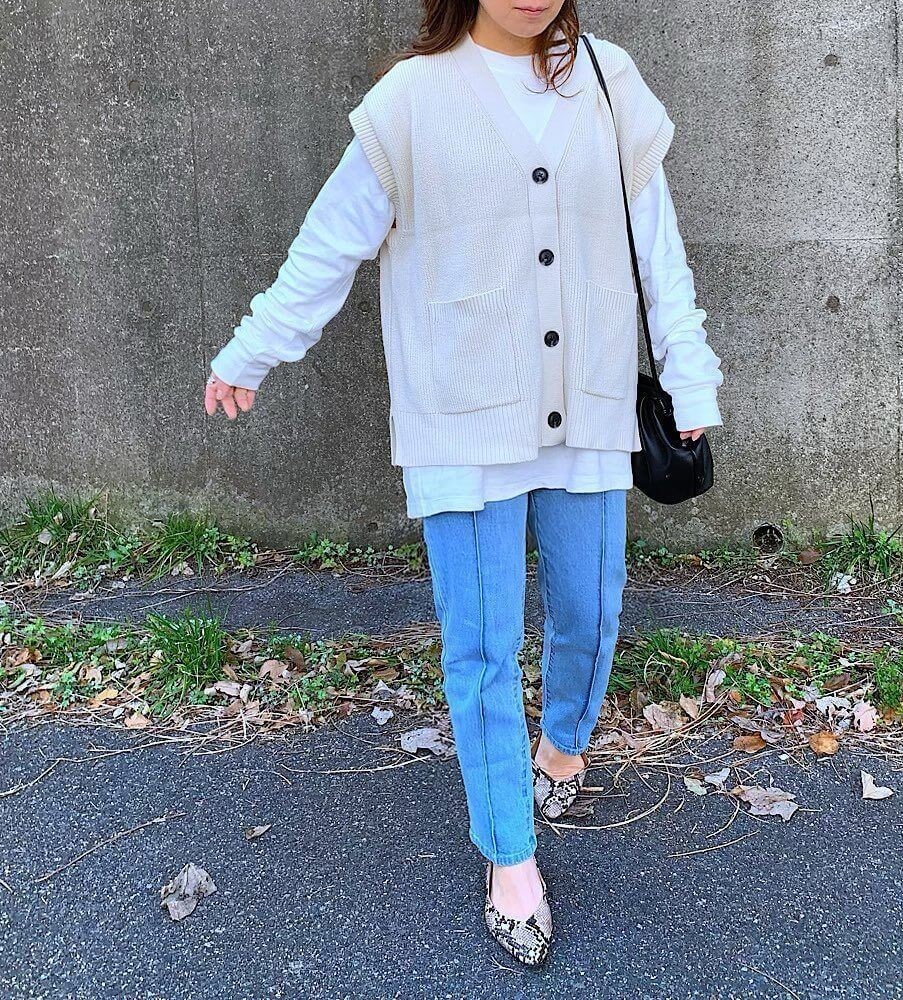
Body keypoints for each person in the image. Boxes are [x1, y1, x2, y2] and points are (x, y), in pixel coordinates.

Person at [205, 0, 723, 967]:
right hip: (460, 419)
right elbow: (332, 242)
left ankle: (562, 744)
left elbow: (659, 246)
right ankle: (509, 855)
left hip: (588, 403)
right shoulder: (409, 102)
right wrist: (253, 349)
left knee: (591, 609)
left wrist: (689, 373)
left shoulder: (607, 80)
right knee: (481, 645)